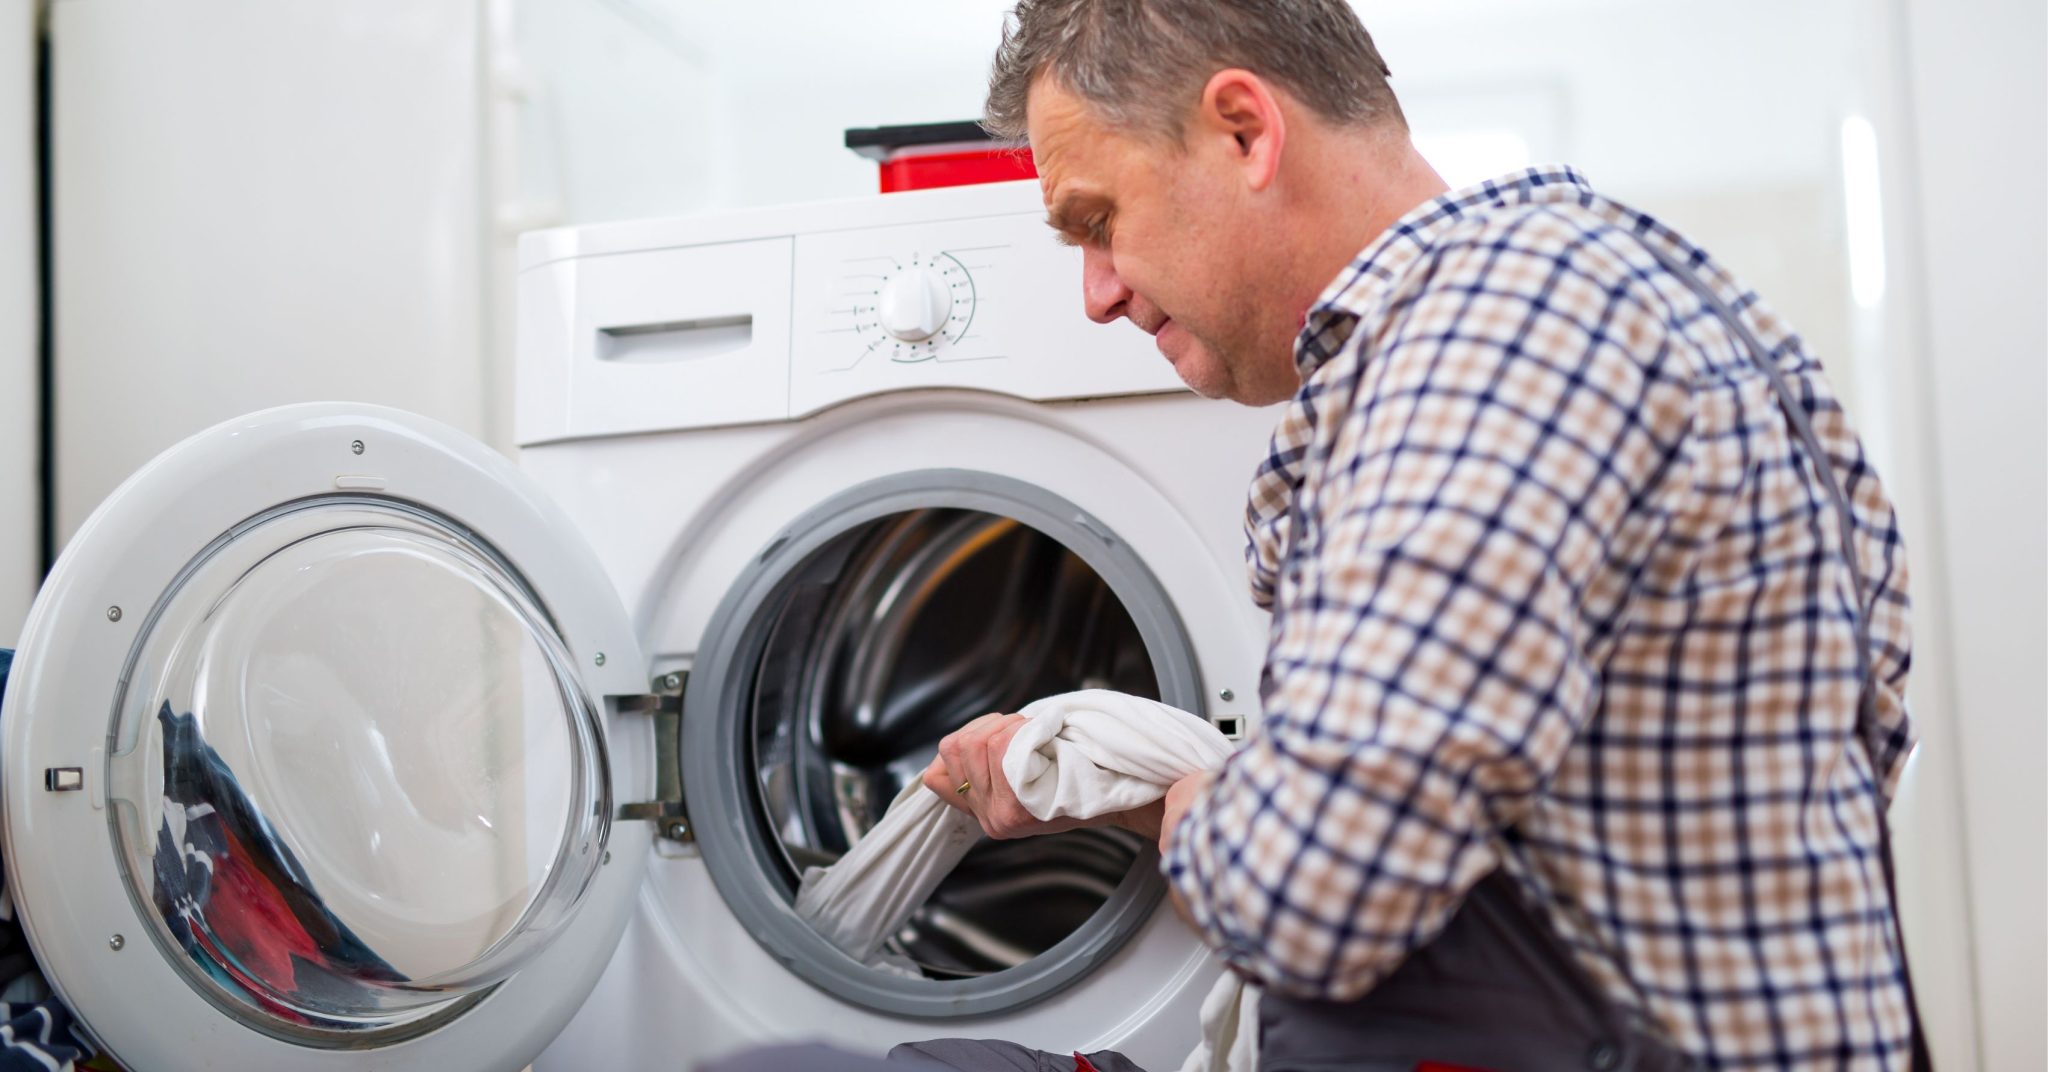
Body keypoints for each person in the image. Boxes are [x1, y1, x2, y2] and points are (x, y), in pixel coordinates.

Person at [715, 1, 1927, 1068]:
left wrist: (1181, 792)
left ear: (1244, 130)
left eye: (1097, 220)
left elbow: (1314, 895)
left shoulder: (1489, 340)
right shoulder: (1611, 288)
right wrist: (1122, 783)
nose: (1095, 291)